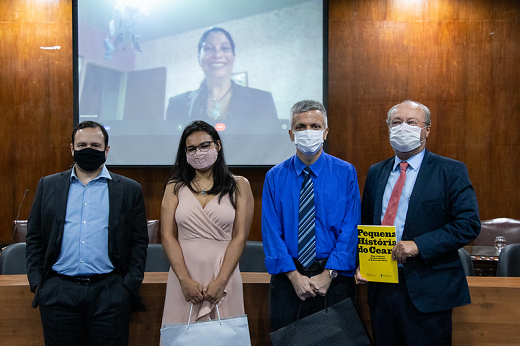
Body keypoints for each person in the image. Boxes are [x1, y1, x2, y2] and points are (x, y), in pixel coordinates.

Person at [356, 100, 480, 346]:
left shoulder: (450, 170)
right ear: (388, 129)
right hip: (381, 288)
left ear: (427, 130)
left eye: (412, 122)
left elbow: (468, 224)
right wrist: (362, 263)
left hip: (428, 289)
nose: (403, 128)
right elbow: (366, 222)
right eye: (396, 122)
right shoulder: (376, 172)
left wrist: (419, 245)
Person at [25, 121, 149, 346]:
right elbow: (34, 238)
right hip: (58, 293)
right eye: (81, 145)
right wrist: (38, 284)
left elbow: (139, 241)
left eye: (95, 144)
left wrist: (129, 285)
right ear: (72, 149)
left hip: (110, 293)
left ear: (106, 150)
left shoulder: (129, 189)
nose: (88, 149)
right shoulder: (48, 185)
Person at [261, 100, 360, 331]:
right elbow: (271, 232)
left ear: (325, 132)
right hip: (288, 280)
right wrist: (294, 277)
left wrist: (329, 274)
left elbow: (351, 226)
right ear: (290, 134)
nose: (308, 132)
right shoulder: (274, 177)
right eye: (301, 126)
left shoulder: (345, 172)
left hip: (335, 279)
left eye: (315, 126)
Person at [160, 120, 254, 324]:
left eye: (205, 145)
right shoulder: (174, 186)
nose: (199, 152)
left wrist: (221, 281)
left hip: (224, 276)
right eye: (191, 148)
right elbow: (167, 236)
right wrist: (184, 279)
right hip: (183, 276)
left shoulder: (239, 185)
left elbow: (240, 237)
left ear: (217, 145)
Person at [165, 27, 278, 125]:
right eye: (209, 48)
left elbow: (273, 147)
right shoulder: (177, 104)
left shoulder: (262, 100)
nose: (217, 55)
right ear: (199, 58)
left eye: (225, 48)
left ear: (233, 57)